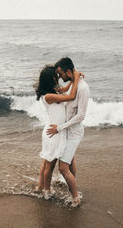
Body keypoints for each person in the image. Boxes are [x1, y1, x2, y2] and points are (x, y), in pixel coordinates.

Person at [47, 57, 90, 207]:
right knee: (70, 161)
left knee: (63, 167)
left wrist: (60, 127)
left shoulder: (83, 88)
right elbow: (64, 93)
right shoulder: (72, 83)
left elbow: (81, 115)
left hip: (74, 133)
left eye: (60, 74)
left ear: (68, 71)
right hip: (67, 130)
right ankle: (73, 185)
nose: (60, 77)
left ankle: (75, 198)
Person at [34, 65, 82, 201]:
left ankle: (40, 187)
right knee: (49, 164)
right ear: (52, 78)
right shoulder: (49, 96)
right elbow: (71, 96)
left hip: (57, 130)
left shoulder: (54, 91)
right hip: (53, 132)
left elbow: (67, 90)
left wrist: (73, 78)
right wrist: (77, 78)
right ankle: (47, 191)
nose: (59, 77)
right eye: (57, 75)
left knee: (47, 162)